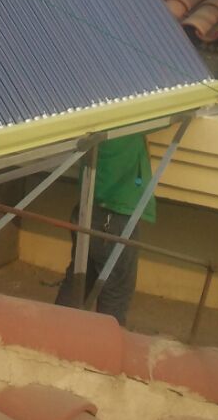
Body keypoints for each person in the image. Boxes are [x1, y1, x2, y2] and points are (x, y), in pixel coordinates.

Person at [53, 133, 151, 323]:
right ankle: (105, 338)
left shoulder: (98, 125)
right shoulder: (127, 124)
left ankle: (56, 330)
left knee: (80, 279)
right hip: (115, 216)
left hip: (88, 209)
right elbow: (164, 117)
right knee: (115, 290)